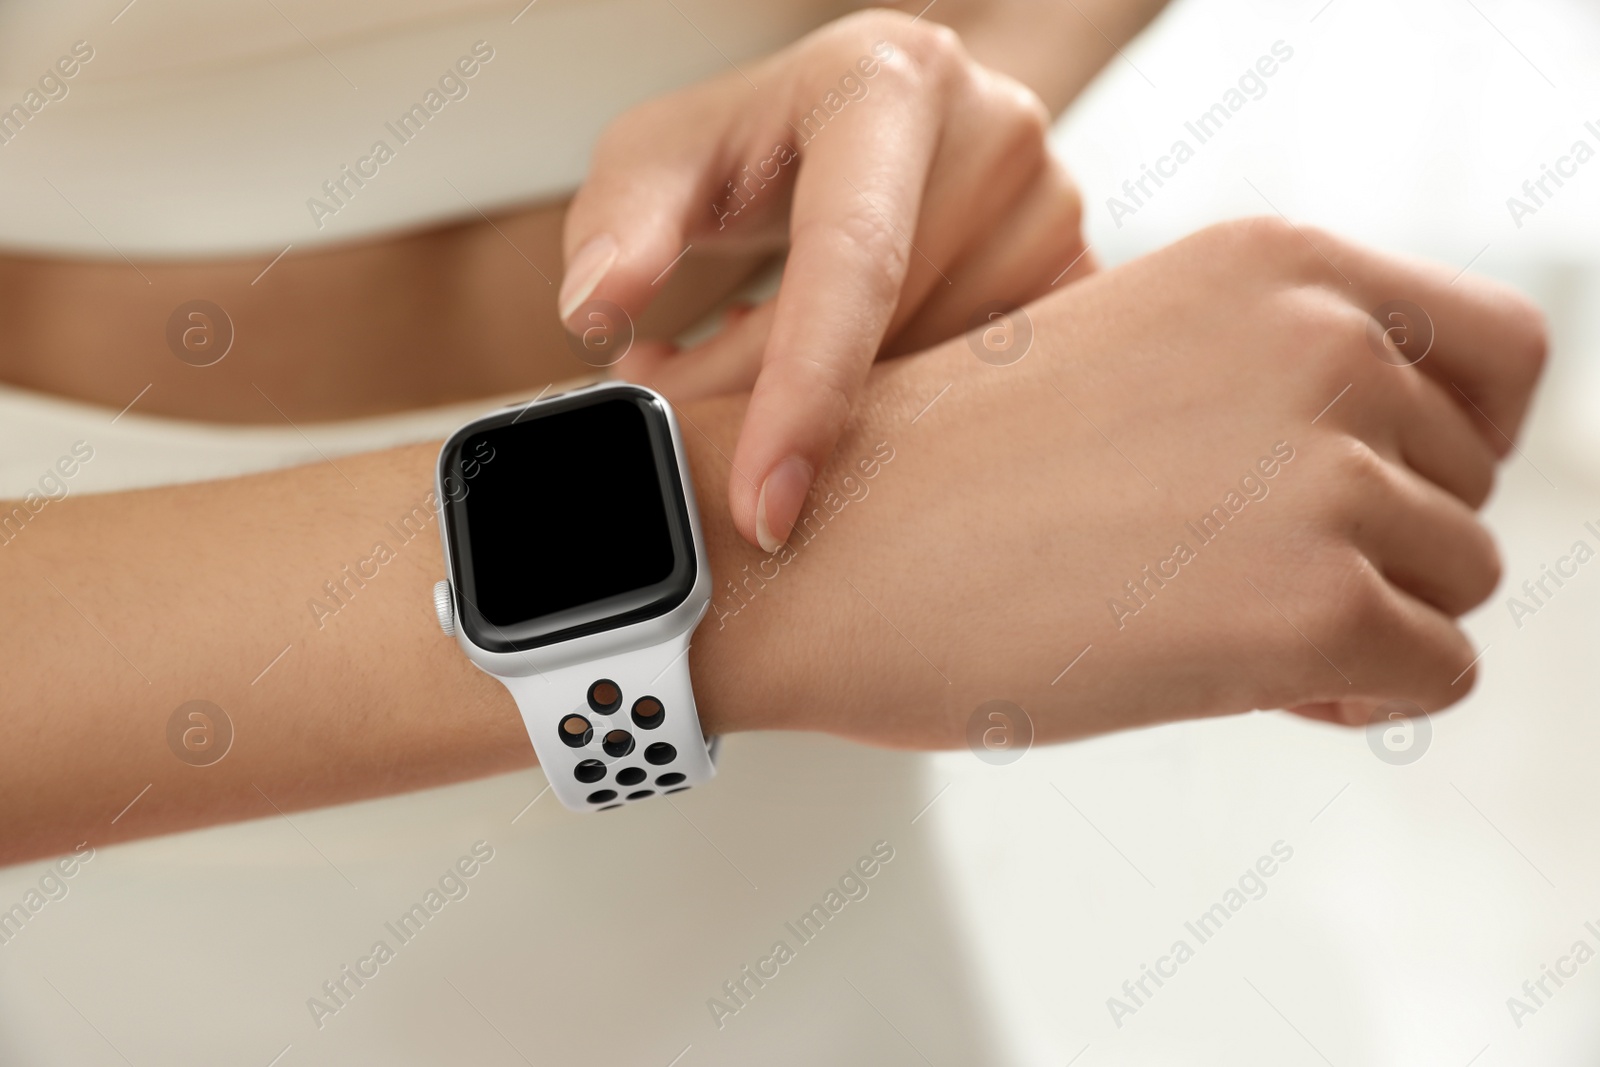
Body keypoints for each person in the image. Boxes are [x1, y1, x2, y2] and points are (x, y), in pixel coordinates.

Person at [0, 0, 1543, 876]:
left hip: (849, 631)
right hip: (118, 715)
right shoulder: (813, 572)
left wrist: (969, 81)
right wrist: (790, 573)